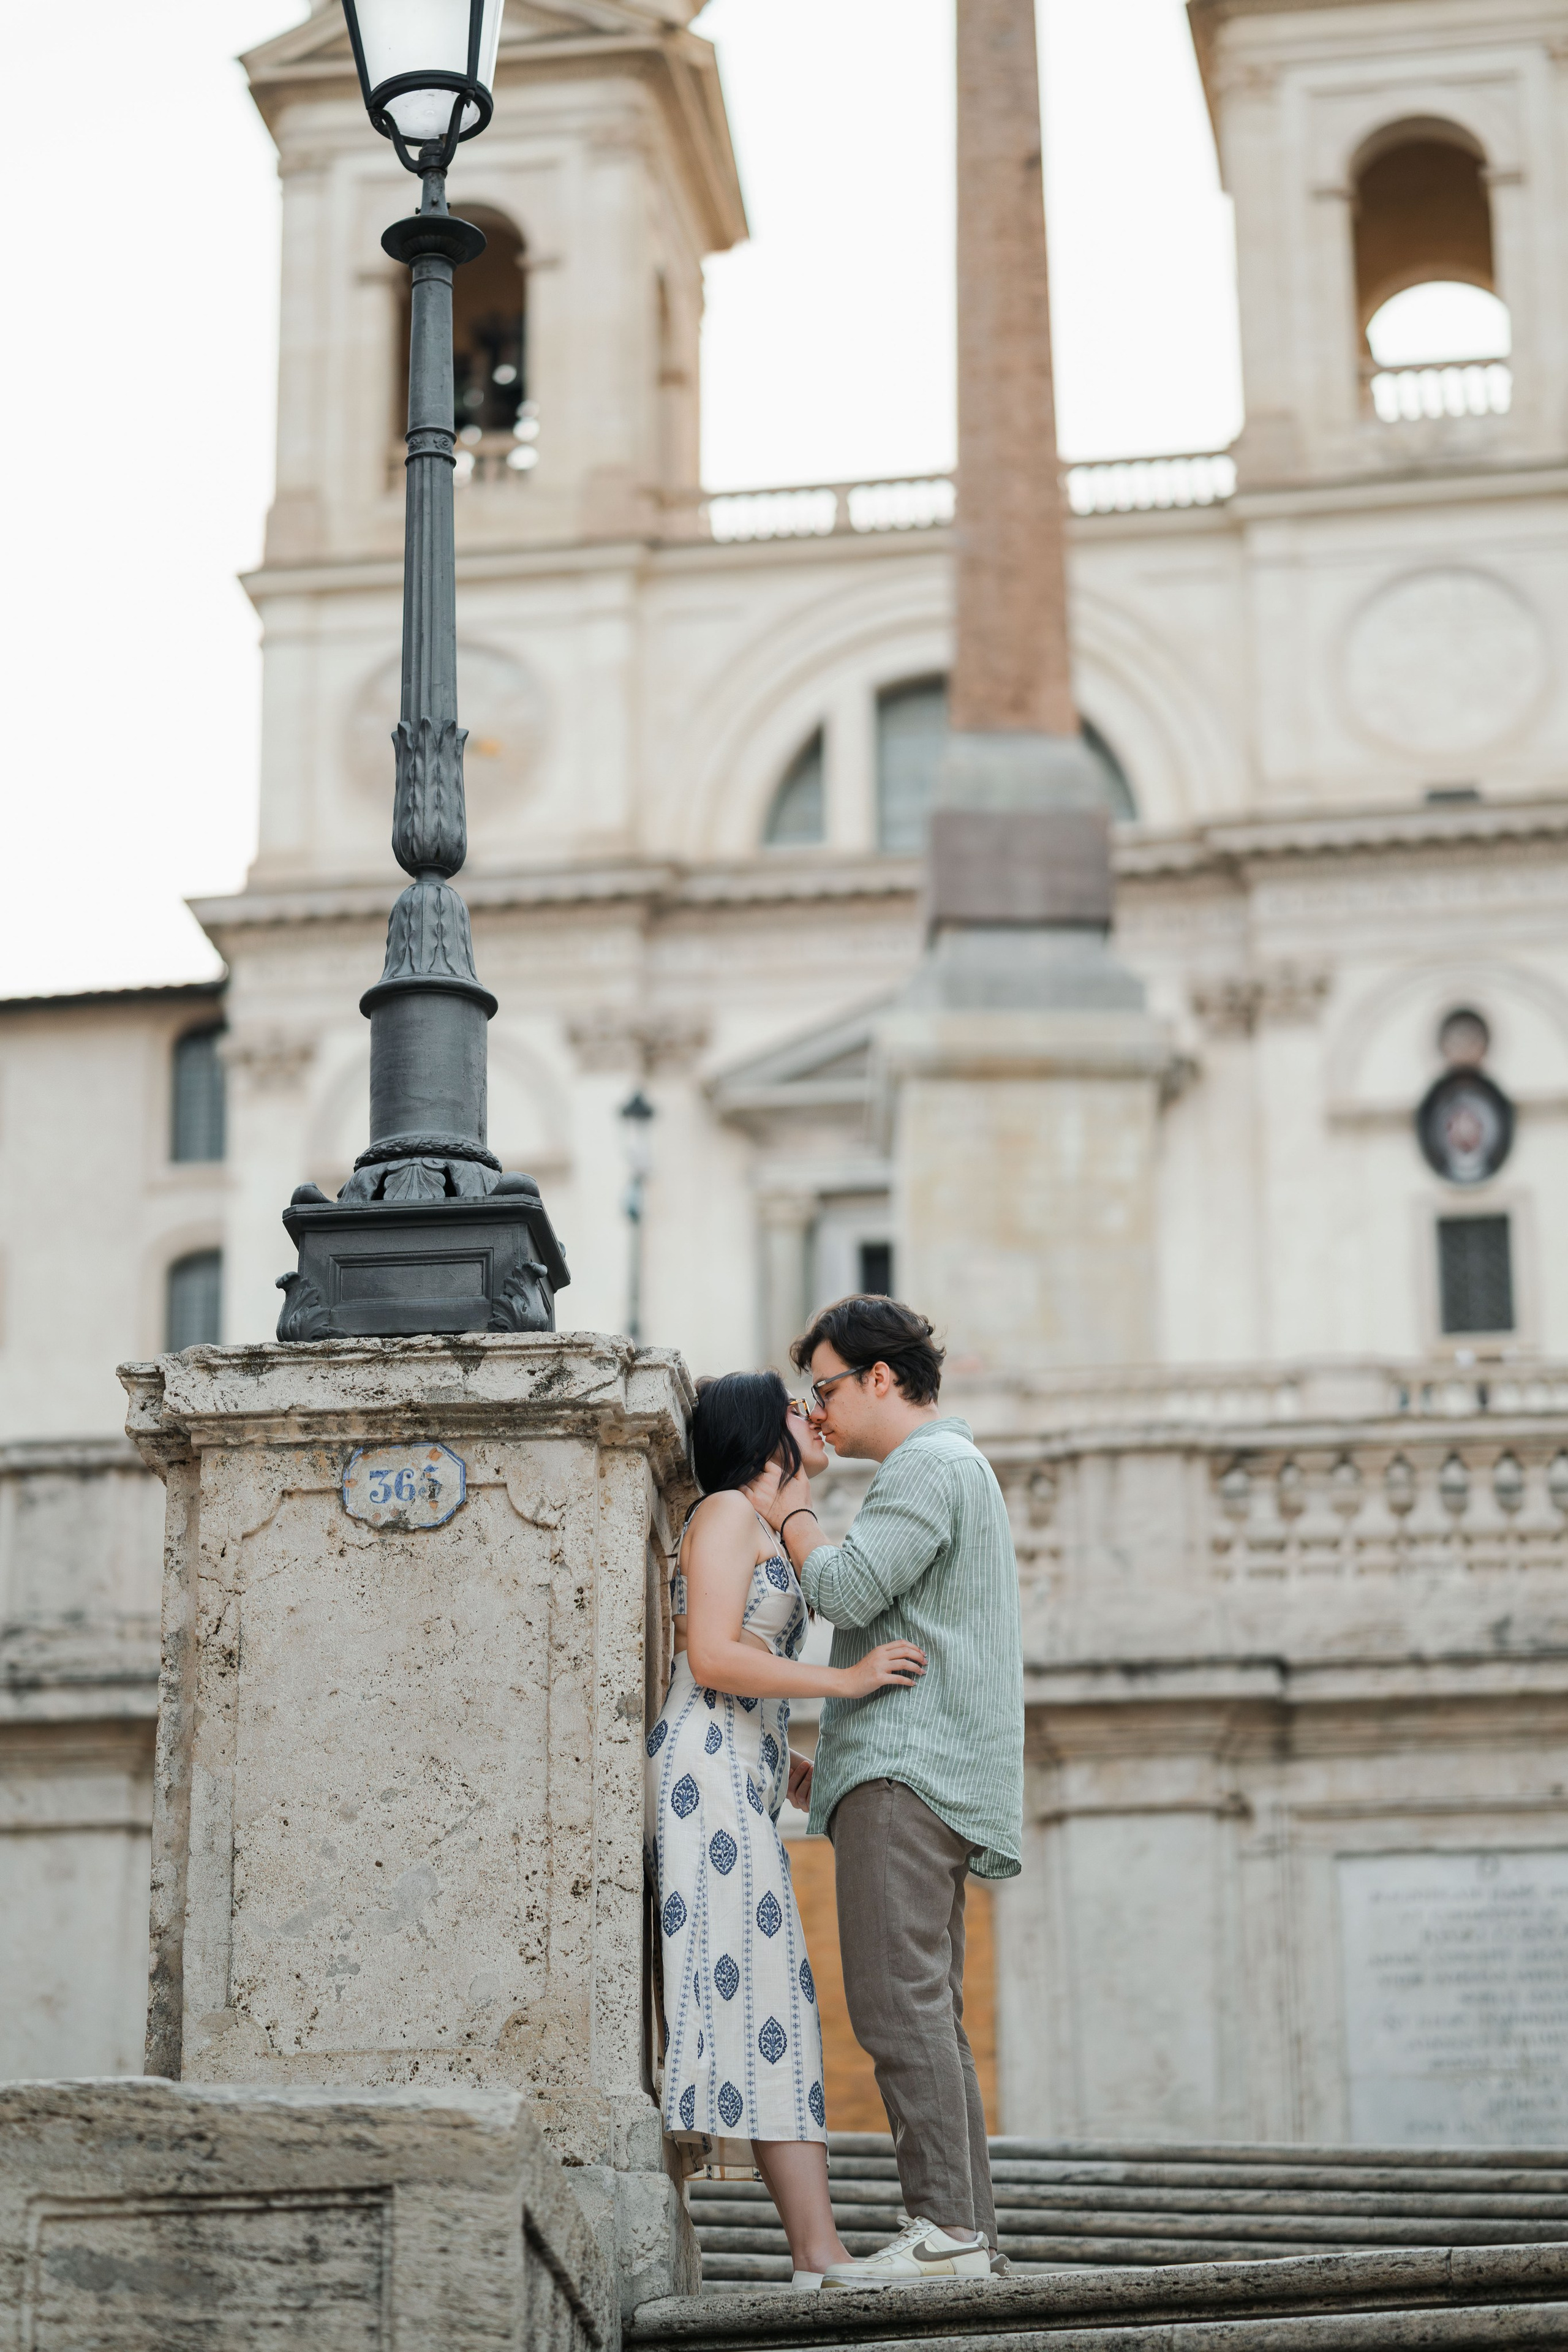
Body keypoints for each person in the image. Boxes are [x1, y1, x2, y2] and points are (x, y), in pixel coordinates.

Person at [645, 1368, 929, 2290]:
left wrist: (790, 1759)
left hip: (740, 1774)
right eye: (796, 1407)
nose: (813, 1416)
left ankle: (819, 2253)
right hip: (706, 1776)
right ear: (759, 1431)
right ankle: (819, 2254)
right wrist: (845, 1685)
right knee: (767, 2000)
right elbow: (715, 1656)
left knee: (774, 2005)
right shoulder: (725, 1510)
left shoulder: (756, 1524)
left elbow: (742, 1664)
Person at [766, 1295, 1024, 2291]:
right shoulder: (959, 1467)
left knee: (894, 2003)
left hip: (907, 1774)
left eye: (824, 1388)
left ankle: (946, 2230)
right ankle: (969, 2237)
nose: (816, 1412)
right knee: (929, 2008)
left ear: (881, 1378)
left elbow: (844, 1593)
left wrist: (788, 1505)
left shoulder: (926, 1466)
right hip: (926, 1769)